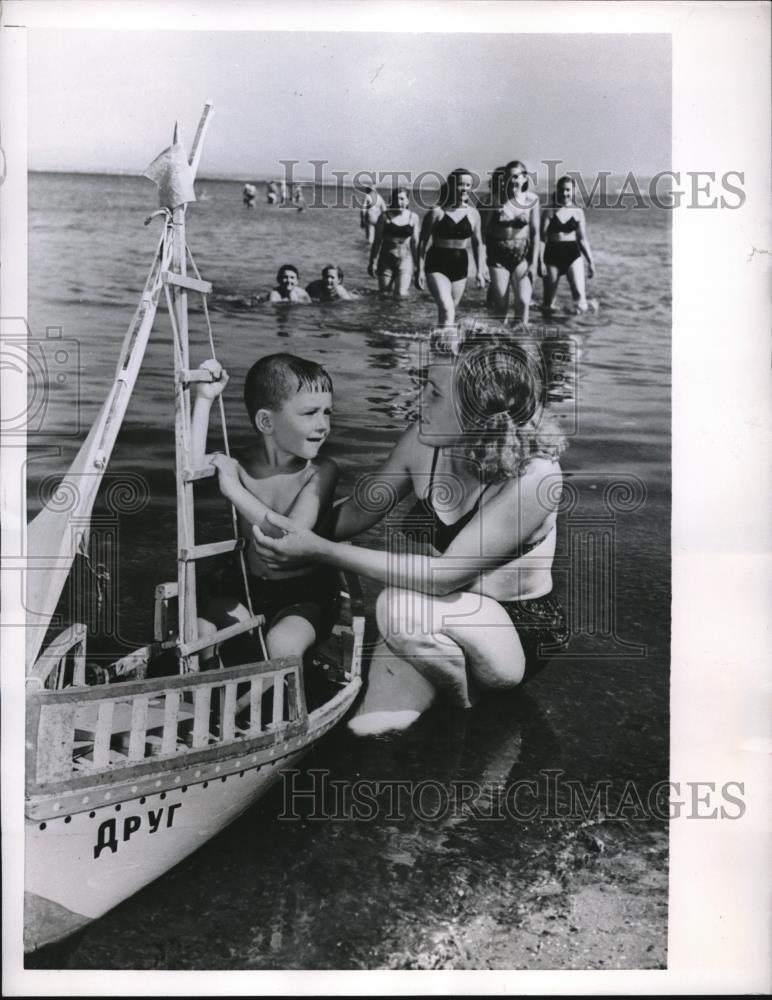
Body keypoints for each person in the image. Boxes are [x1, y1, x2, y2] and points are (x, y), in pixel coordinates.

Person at [253, 329, 568, 736]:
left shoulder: (535, 476)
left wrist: (316, 550)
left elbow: (445, 577)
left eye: (434, 393)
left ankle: (470, 714)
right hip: (433, 619)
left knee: (398, 608)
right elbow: (355, 511)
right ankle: (443, 712)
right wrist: (273, 529)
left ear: (482, 409)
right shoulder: (423, 444)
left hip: (514, 632)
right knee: (365, 733)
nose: (418, 402)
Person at [190, 354, 339, 661]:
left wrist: (233, 490)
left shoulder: (320, 471)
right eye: (310, 413)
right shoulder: (239, 464)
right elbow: (189, 468)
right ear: (266, 422)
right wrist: (204, 400)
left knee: (280, 645)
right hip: (244, 587)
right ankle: (211, 702)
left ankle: (287, 704)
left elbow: (290, 536)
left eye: (327, 413)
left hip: (304, 595)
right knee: (202, 631)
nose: (323, 425)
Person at [416, 168, 488, 330]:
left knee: (449, 311)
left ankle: (440, 346)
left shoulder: (473, 213)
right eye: (460, 184)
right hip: (437, 264)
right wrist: (419, 270)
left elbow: (478, 243)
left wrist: (480, 271)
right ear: (451, 186)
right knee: (447, 309)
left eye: (468, 185)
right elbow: (422, 243)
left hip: (460, 265)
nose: (464, 188)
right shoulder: (436, 212)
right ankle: (446, 347)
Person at [484, 160, 540, 325]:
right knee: (501, 306)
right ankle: (500, 343)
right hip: (498, 257)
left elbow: (536, 234)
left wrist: (535, 263)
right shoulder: (494, 201)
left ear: (524, 179)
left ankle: (519, 343)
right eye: (510, 177)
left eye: (517, 177)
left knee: (523, 302)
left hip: (522, 257)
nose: (513, 181)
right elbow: (482, 234)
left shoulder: (532, 200)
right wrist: (481, 265)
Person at [540, 175, 596, 313]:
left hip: (573, 255)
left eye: (568, 190)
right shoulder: (549, 211)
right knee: (548, 304)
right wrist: (540, 262)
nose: (565, 193)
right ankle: (551, 330)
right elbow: (541, 239)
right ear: (557, 191)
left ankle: (576, 330)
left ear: (573, 192)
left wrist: (590, 262)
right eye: (562, 190)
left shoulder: (578, 212)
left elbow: (582, 239)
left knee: (579, 298)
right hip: (552, 256)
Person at [368, 186, 420, 298]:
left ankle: (400, 315)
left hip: (405, 260)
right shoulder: (384, 217)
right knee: (384, 295)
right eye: (396, 199)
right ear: (392, 200)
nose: (398, 202)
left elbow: (415, 244)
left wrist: (418, 266)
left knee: (401, 294)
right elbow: (377, 241)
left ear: (407, 201)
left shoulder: (413, 217)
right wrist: (372, 262)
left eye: (402, 199)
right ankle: (386, 316)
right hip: (386, 260)